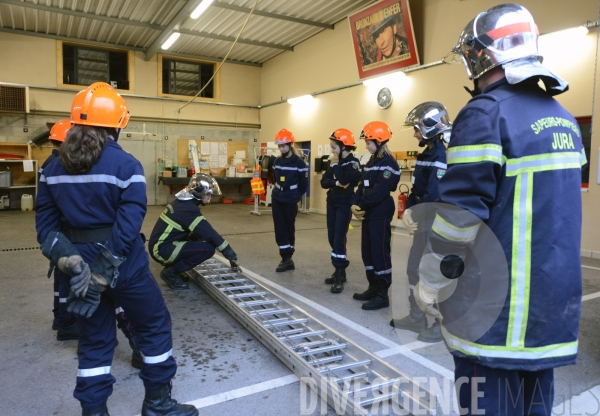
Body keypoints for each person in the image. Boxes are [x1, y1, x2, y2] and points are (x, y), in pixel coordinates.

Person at [415, 4, 585, 413]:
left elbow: (460, 215)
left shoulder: (486, 113)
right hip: (548, 313)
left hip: (495, 313)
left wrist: (430, 280)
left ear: (480, 55)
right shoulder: (564, 120)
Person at [36, 82, 197, 416]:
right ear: (116, 125)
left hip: (78, 272)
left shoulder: (50, 170)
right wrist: (103, 272)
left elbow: (46, 229)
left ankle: (94, 412)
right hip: (125, 270)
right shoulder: (126, 166)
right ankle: (158, 404)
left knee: (94, 342)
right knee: (153, 325)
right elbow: (128, 224)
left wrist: (72, 264)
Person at [390, 102, 451, 343]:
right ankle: (417, 316)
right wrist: (408, 212)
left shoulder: (441, 156)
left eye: (416, 128)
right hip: (422, 224)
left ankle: (439, 324)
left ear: (430, 128)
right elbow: (418, 191)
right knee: (413, 269)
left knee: (432, 276)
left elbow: (435, 197)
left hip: (435, 225)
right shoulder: (426, 154)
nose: (415, 133)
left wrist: (414, 213)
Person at [148, 172, 237, 290]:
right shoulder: (189, 210)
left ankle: (174, 268)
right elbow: (210, 234)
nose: (210, 198)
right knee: (208, 249)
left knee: (197, 237)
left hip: (160, 245)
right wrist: (230, 254)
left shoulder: (183, 203)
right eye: (208, 194)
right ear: (200, 192)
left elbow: (199, 232)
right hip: (162, 250)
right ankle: (171, 272)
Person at [38, 119, 80, 341]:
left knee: (61, 277)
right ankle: (67, 323)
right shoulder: (59, 167)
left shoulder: (49, 164)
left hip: (56, 232)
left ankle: (60, 319)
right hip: (65, 231)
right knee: (68, 278)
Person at [351, 121, 400, 310]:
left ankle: (382, 293)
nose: (366, 145)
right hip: (369, 212)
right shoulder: (371, 162)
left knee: (380, 253)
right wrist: (354, 204)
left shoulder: (388, 163)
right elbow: (362, 186)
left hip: (380, 212)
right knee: (368, 252)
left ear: (379, 141)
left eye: (368, 142)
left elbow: (379, 192)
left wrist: (361, 204)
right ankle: (373, 286)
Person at [319, 129, 361, 293]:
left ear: (344, 147)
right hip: (332, 201)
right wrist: (336, 183)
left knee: (339, 237)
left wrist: (335, 167)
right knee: (331, 235)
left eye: (334, 147)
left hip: (345, 203)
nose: (332, 151)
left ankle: (341, 272)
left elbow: (344, 179)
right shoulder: (336, 163)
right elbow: (324, 182)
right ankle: (338, 270)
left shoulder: (353, 163)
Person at [271, 128, 309, 272]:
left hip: (290, 198)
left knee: (288, 228)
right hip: (277, 197)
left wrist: (295, 196)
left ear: (290, 145)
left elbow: (303, 184)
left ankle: (288, 258)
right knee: (279, 228)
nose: (281, 148)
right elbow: (274, 177)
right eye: (280, 146)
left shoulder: (299, 163)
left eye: (284, 146)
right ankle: (284, 257)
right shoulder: (277, 161)